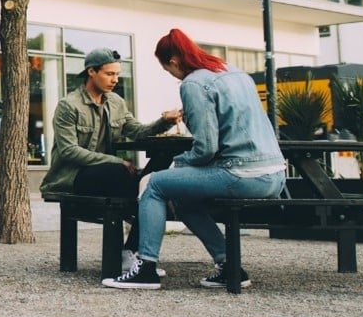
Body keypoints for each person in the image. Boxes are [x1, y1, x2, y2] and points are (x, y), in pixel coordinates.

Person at [103, 29, 285, 290]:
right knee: (183, 199)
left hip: (242, 173)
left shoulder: (193, 84)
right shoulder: (232, 72)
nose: (172, 75)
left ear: (174, 62)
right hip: (274, 174)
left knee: (153, 183)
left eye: (168, 70)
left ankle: (145, 269)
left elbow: (206, 148)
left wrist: (181, 162)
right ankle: (229, 266)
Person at [41, 47, 181, 272]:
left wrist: (164, 122)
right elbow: (69, 151)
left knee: (158, 171)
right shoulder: (69, 105)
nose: (115, 79)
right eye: (109, 74)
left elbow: (136, 131)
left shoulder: (116, 102)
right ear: (91, 72)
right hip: (74, 177)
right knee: (121, 175)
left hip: (108, 177)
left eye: (117, 74)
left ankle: (130, 249)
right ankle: (138, 233)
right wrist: (117, 162)